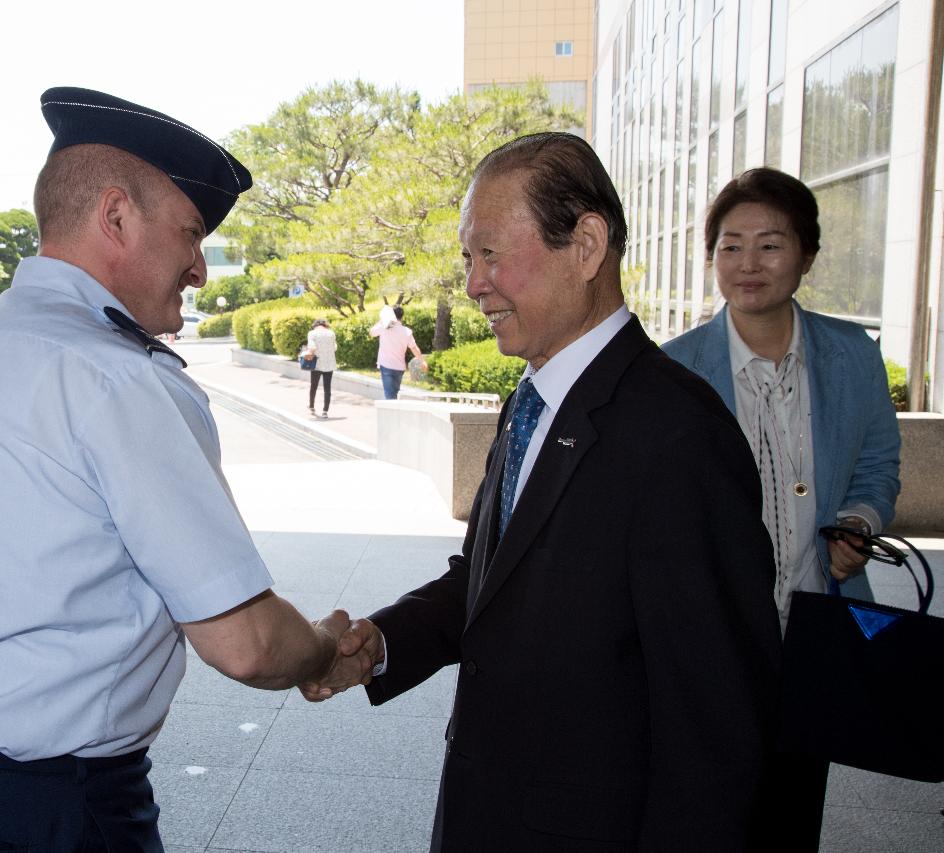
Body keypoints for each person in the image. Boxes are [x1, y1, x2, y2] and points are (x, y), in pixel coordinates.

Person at [0, 88, 367, 852]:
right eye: (190, 234)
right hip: (58, 814)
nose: (200, 269)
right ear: (115, 216)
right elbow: (244, 640)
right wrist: (323, 649)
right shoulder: (118, 381)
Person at [308, 133, 783, 851]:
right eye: (469, 258)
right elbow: (486, 582)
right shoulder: (531, 399)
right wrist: (380, 644)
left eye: (491, 253)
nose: (472, 284)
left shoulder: (682, 436)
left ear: (587, 245)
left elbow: (715, 731)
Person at [663, 167, 901, 849]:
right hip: (710, 639)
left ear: (807, 254)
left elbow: (879, 463)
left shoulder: (853, 355)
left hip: (814, 626)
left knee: (793, 812)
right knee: (708, 810)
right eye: (729, 245)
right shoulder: (676, 371)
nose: (748, 263)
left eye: (770, 244)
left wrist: (859, 520)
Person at [369, 304, 421, 398]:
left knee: (389, 394)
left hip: (386, 365)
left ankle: (390, 412)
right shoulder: (407, 331)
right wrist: (422, 361)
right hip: (399, 367)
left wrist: (381, 321)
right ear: (402, 316)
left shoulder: (384, 327)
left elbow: (371, 332)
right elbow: (414, 348)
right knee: (394, 393)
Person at [306, 318, 337, 417]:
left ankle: (311, 407)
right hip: (329, 363)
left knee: (313, 386)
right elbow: (334, 347)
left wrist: (306, 353)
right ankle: (325, 411)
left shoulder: (312, 333)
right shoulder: (331, 333)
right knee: (327, 388)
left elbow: (312, 347)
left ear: (315, 325)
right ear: (325, 325)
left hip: (317, 364)